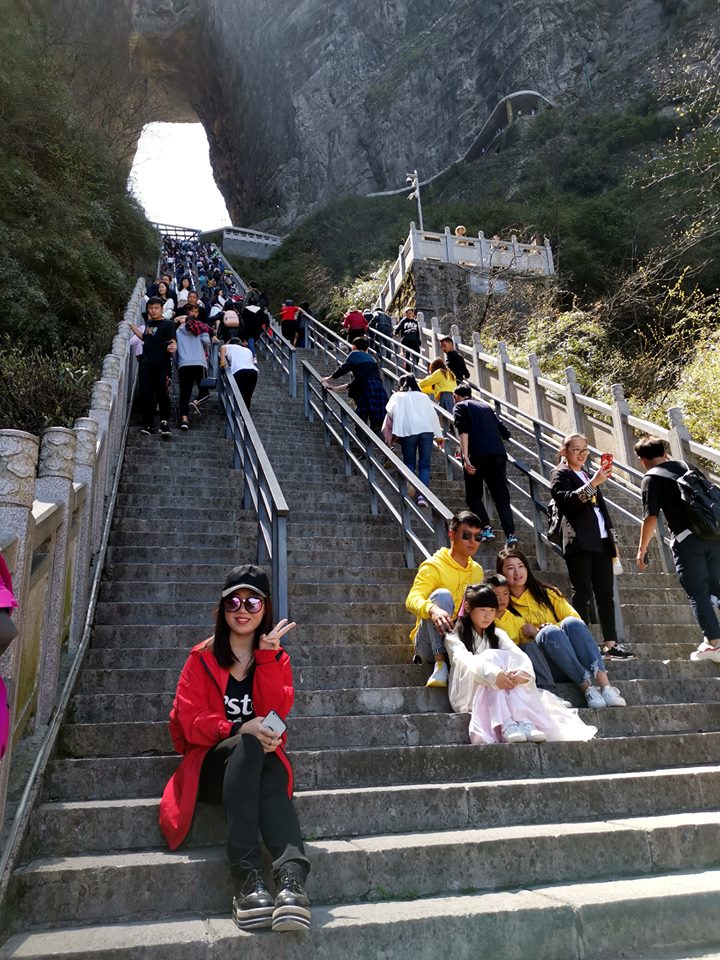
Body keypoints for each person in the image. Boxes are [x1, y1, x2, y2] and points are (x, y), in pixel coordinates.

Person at [159, 565, 311, 932]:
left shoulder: (277, 658)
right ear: (222, 607)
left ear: (266, 609)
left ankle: (291, 882)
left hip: (258, 767)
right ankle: (246, 876)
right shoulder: (201, 658)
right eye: (234, 601)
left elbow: (276, 712)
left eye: (253, 601)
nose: (242, 609)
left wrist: (267, 659)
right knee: (248, 743)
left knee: (269, 762)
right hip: (211, 768)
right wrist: (240, 727)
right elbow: (188, 721)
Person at [445, 584, 596, 744]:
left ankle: (522, 720)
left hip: (502, 686)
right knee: (490, 656)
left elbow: (518, 656)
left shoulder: (497, 633)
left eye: (492, 611)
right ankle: (507, 724)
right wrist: (494, 675)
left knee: (510, 660)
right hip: (468, 693)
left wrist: (521, 674)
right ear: (468, 608)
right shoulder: (453, 637)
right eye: (483, 610)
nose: (488, 616)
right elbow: (466, 661)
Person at [496, 546, 627, 709]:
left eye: (521, 566)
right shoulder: (501, 604)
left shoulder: (546, 593)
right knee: (549, 632)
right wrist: (542, 633)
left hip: (570, 656)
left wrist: (540, 630)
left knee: (570, 623)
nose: (517, 572)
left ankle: (606, 686)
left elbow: (575, 619)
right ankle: (587, 688)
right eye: (510, 568)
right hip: (544, 666)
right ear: (501, 574)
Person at [635, 435, 720, 662]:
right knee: (715, 587)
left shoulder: (651, 479)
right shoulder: (687, 467)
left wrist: (642, 549)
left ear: (642, 460)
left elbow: (651, 517)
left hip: (688, 542)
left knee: (698, 592)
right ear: (665, 451)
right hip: (714, 536)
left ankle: (714, 644)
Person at [551, 434, 634, 660]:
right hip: (579, 539)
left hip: (602, 539)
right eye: (576, 449)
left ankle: (611, 643)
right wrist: (594, 483)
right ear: (564, 451)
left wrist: (613, 539)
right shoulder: (561, 473)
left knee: (606, 594)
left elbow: (601, 509)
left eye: (585, 449)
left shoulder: (587, 473)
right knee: (583, 591)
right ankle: (582, 641)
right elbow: (567, 501)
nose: (582, 453)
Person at [405, 510, 484, 688]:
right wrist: (432, 609)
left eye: (478, 537)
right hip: (428, 644)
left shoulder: (477, 570)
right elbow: (412, 598)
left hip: (458, 637)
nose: (472, 541)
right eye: (466, 535)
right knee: (441, 596)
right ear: (451, 535)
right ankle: (440, 663)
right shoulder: (433, 565)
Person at [453, 383, 517, 546]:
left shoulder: (460, 406)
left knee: (473, 496)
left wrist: (465, 457)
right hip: (497, 455)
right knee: (501, 497)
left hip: (477, 456)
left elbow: (463, 431)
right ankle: (511, 535)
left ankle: (487, 528)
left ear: (456, 397)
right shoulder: (486, 407)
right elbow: (505, 432)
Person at [484, 573, 557, 692]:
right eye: (496, 595)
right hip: (493, 662)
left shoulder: (517, 620)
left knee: (530, 646)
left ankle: (548, 689)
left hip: (513, 662)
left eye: (505, 594)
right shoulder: (485, 618)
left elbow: (526, 649)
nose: (501, 599)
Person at [385, 375, 444, 507]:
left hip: (408, 430)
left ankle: (409, 485)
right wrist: (439, 436)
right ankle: (422, 497)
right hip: (426, 431)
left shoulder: (397, 396)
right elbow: (433, 415)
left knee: (409, 462)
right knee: (425, 465)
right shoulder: (423, 397)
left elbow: (389, 411)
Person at [129, 297, 176, 438]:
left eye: (156, 308)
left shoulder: (168, 324)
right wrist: (131, 326)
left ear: (162, 309)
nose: (153, 310)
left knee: (162, 391)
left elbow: (173, 340)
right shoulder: (149, 323)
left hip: (162, 364)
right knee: (146, 394)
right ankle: (148, 424)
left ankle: (164, 422)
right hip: (146, 364)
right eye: (151, 308)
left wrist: (174, 346)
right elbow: (145, 338)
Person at [322, 337, 388, 431]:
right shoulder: (372, 359)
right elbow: (356, 383)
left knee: (361, 417)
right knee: (377, 420)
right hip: (379, 389)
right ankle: (380, 442)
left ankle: (362, 440)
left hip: (366, 389)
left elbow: (343, 369)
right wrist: (335, 388)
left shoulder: (355, 354)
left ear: (354, 347)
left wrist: (329, 378)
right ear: (366, 349)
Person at [175, 305, 211, 430]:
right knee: (205, 391)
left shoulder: (178, 331)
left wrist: (177, 363)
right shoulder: (202, 328)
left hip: (184, 364)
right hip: (199, 363)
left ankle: (184, 419)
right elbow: (206, 342)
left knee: (184, 393)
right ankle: (196, 403)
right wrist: (204, 353)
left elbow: (175, 349)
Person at [221, 337, 259, 408]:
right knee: (247, 397)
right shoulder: (248, 350)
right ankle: (244, 417)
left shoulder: (228, 346)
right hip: (253, 372)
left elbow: (223, 350)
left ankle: (237, 416)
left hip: (239, 370)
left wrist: (223, 364)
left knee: (238, 396)